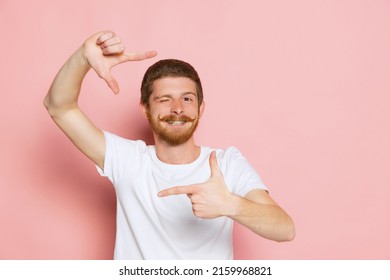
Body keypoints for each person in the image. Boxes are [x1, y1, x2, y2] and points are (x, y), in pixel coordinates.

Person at [43, 31, 295, 260]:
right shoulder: (127, 160)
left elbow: (285, 228)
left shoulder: (226, 163)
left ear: (200, 108)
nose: (177, 109)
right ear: (145, 108)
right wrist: (82, 58)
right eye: (165, 99)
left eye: (187, 98)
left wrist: (231, 204)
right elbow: (59, 107)